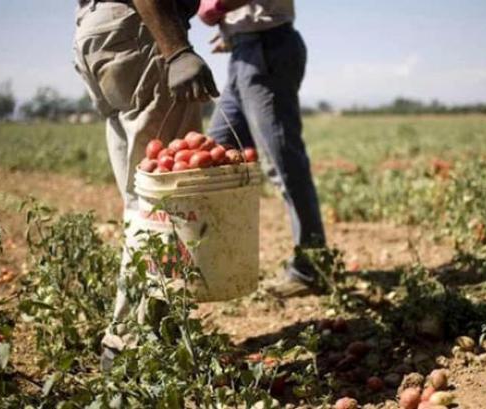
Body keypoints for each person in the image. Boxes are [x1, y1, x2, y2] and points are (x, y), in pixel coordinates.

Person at [73, 0, 219, 371]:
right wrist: (177, 50)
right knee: (165, 201)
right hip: (142, 30)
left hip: (99, 31)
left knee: (142, 200)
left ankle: (150, 335)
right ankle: (131, 345)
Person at [198, 0, 326, 295]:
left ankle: (311, 267)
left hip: (268, 47)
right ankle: (219, 261)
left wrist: (214, 7)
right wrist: (231, 30)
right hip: (245, 50)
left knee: (283, 161)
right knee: (215, 152)